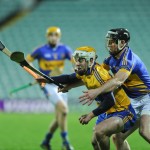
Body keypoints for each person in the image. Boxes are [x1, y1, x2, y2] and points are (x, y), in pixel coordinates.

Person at [37, 46, 137, 150]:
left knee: (100, 132)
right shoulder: (85, 72)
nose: (77, 63)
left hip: (122, 111)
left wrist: (90, 115)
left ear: (91, 60)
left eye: (81, 60)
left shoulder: (99, 75)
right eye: (76, 60)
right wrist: (47, 79)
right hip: (107, 112)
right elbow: (68, 78)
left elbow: (110, 101)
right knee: (95, 142)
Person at [78, 28, 150, 149]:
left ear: (122, 43)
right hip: (132, 100)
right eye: (109, 41)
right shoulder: (110, 59)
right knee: (117, 138)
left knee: (145, 131)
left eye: (112, 41)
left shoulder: (129, 59)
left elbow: (117, 81)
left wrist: (96, 91)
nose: (109, 44)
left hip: (147, 98)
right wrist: (68, 85)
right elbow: (97, 75)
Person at [26, 26, 74, 150]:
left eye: (56, 35)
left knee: (60, 116)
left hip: (61, 84)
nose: (53, 37)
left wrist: (75, 68)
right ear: (47, 36)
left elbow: (75, 61)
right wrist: (36, 75)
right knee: (64, 111)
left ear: (59, 36)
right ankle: (66, 143)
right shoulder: (40, 50)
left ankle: (46, 141)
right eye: (51, 35)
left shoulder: (65, 49)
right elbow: (26, 61)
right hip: (47, 85)